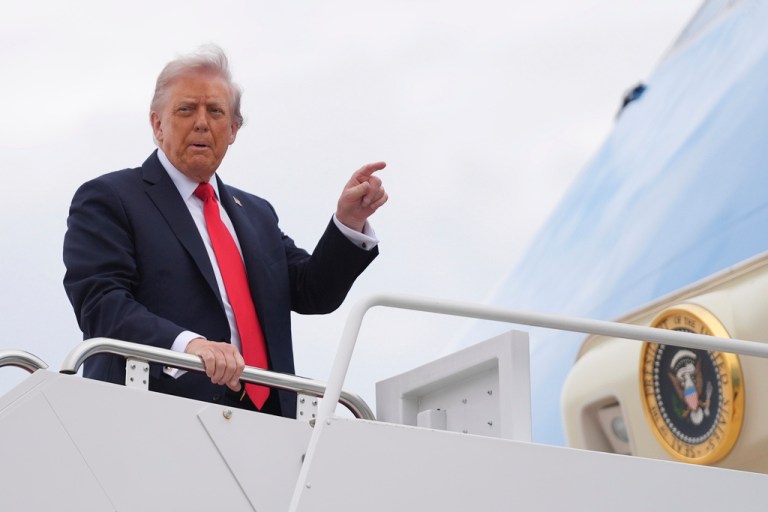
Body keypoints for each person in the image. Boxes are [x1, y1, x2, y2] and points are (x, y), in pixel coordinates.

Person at [62, 45, 387, 418]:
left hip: (270, 424)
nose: (202, 122)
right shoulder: (111, 198)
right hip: (155, 416)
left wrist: (348, 222)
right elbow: (101, 304)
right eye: (186, 109)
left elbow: (313, 292)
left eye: (215, 111)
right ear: (157, 124)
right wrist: (189, 346)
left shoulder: (257, 215)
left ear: (232, 130)